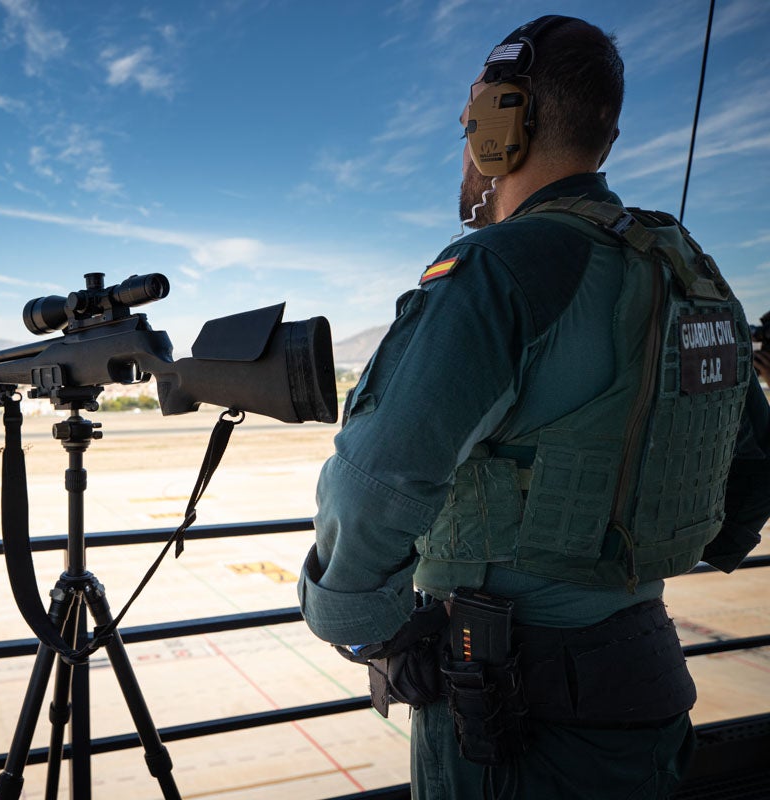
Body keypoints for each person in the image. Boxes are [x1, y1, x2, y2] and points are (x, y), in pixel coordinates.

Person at [297, 15, 770, 800]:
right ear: (606, 135)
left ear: (499, 128)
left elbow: (374, 481)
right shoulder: (687, 269)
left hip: (512, 715)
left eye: (468, 126)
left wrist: (361, 624)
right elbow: (751, 457)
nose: (465, 148)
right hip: (646, 683)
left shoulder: (499, 268)